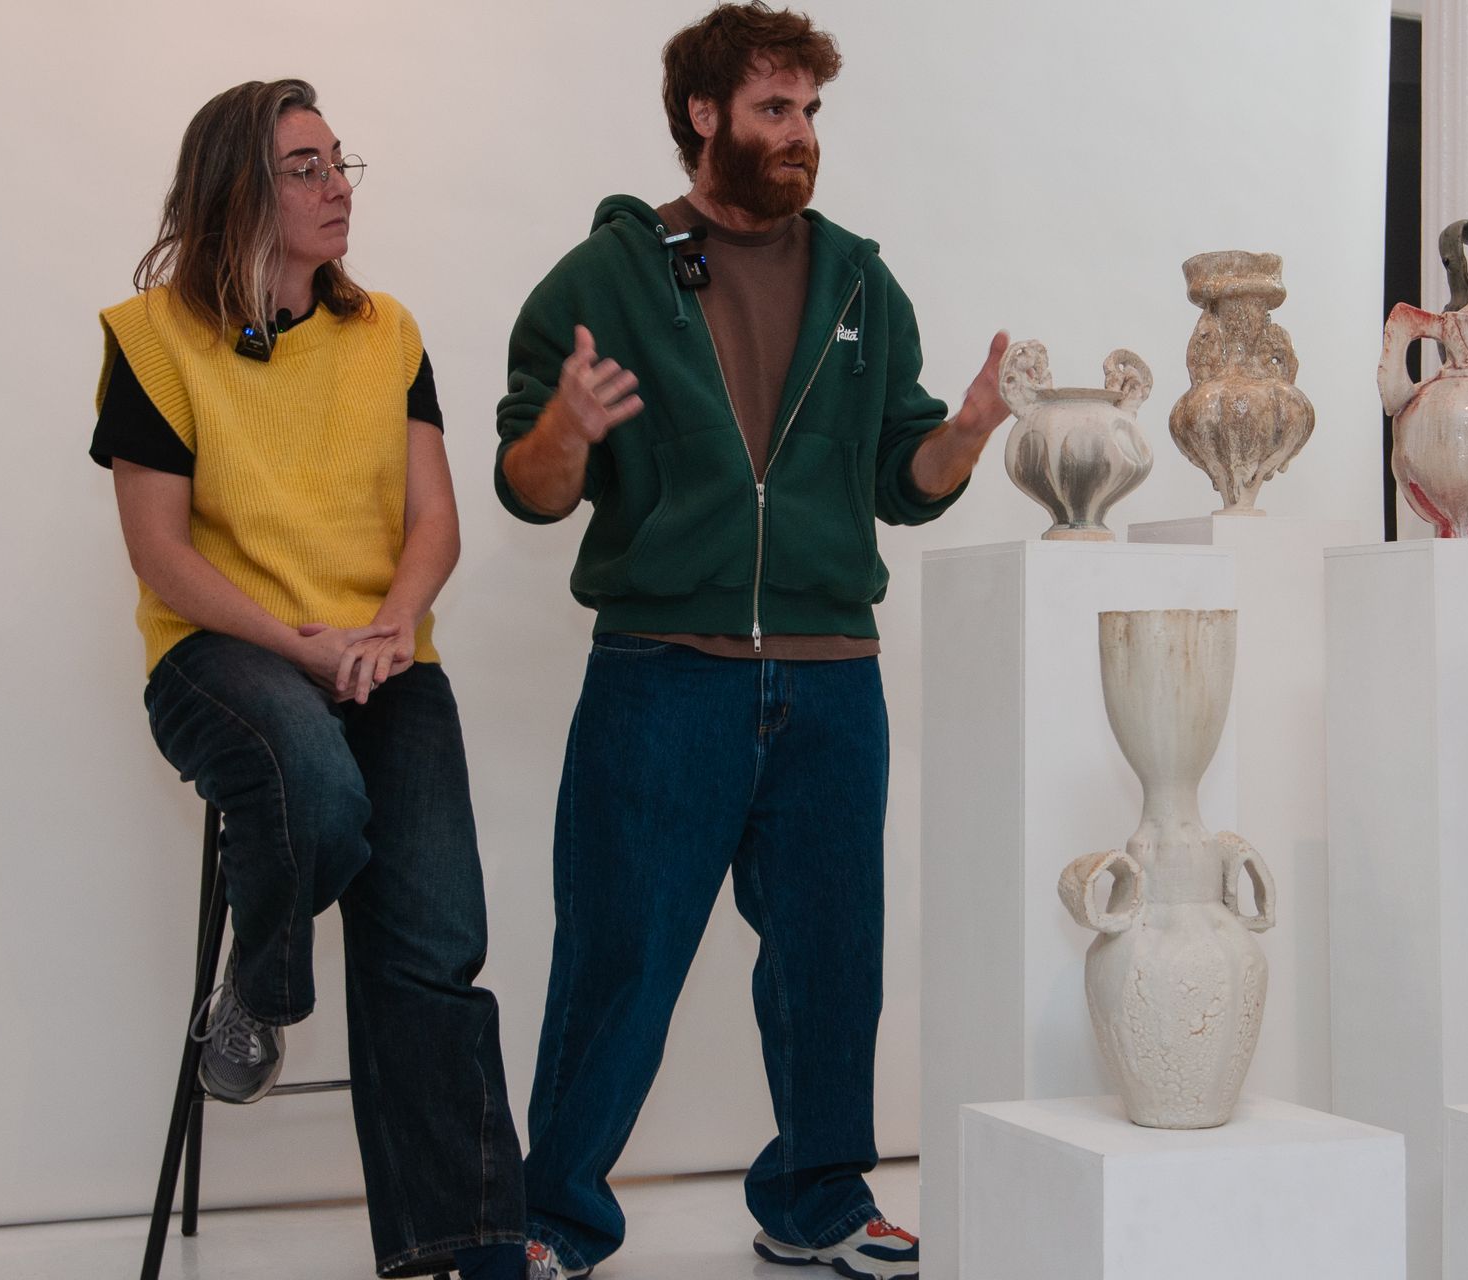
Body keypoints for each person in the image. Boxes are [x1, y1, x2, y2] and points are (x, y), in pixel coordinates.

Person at [494, 7, 1009, 1278]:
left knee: (833, 959)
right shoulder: (601, 281)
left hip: (833, 677)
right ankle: (554, 1217)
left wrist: (966, 435)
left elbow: (902, 476)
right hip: (663, 672)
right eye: (775, 109)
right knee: (618, 955)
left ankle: (818, 1201)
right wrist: (567, 427)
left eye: (811, 111)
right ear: (703, 114)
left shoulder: (860, 280)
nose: (801, 135)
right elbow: (530, 487)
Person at [91, 79, 526, 1280]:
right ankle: (261, 986)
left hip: (379, 650)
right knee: (316, 787)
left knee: (436, 942)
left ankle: (474, 1243)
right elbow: (161, 553)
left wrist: (389, 624)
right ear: (241, 188)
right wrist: (305, 647)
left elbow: (435, 519)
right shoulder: (153, 339)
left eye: (342, 162)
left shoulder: (386, 330)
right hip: (220, 649)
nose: (338, 186)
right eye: (306, 167)